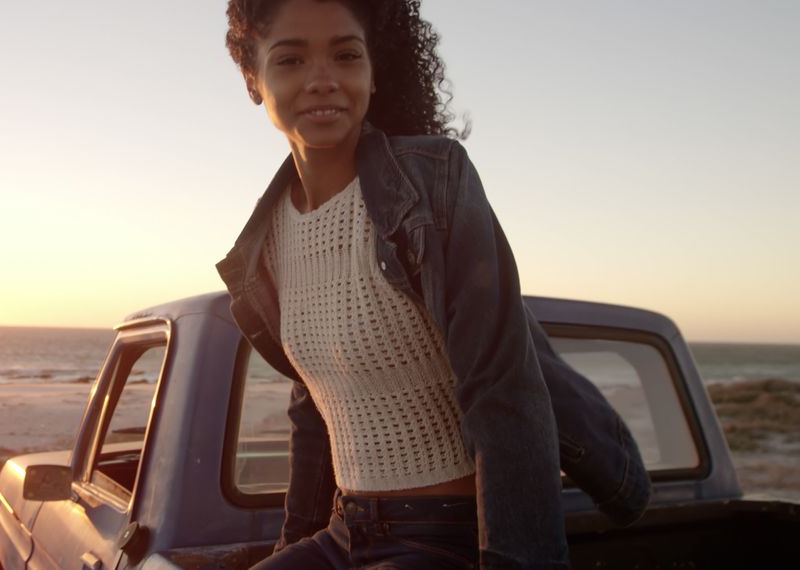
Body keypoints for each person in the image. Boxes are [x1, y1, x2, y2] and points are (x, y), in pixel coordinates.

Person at [215, 1, 651, 568]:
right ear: (254, 78)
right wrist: (292, 549)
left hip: (450, 535)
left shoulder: (435, 183)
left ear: (373, 71)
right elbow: (313, 407)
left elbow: (504, 388)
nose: (322, 79)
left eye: (346, 55)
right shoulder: (266, 243)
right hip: (347, 533)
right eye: (291, 59)